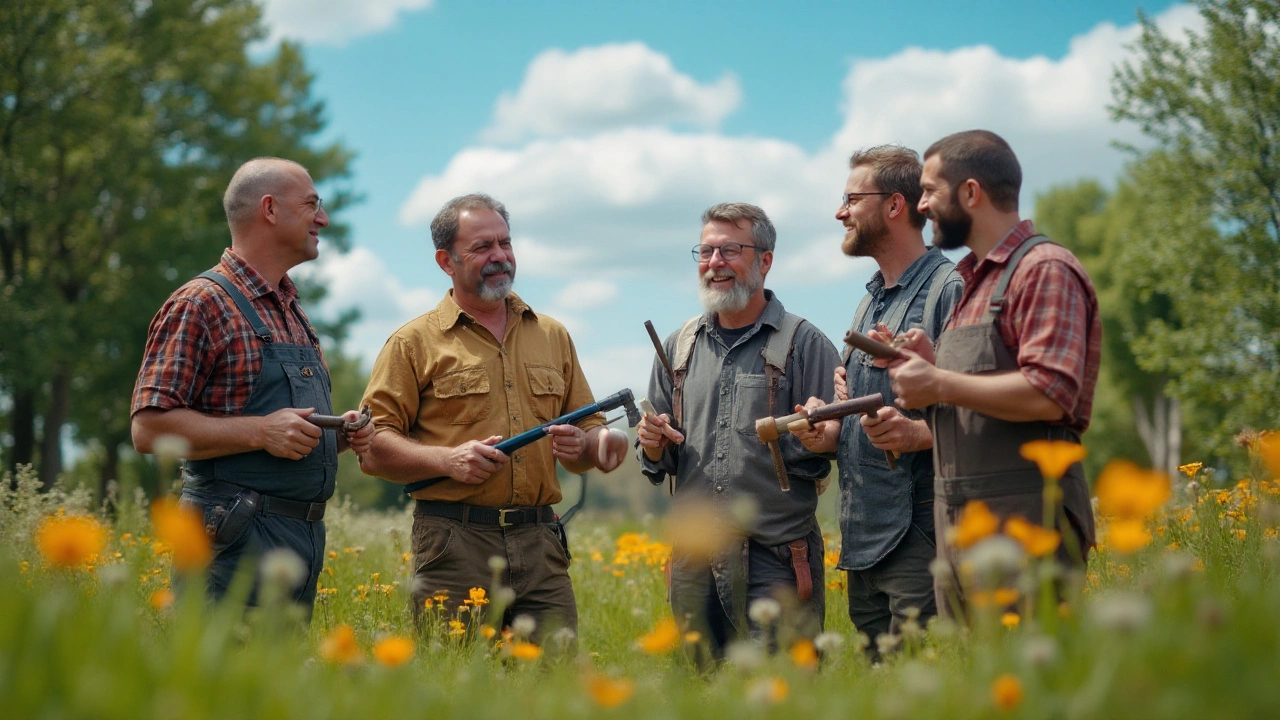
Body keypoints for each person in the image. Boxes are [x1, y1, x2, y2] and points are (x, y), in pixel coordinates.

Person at [358, 193, 628, 641]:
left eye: (505, 243)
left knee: (554, 688)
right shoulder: (412, 343)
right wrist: (446, 461)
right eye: (482, 247)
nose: (499, 256)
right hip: (452, 544)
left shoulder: (552, 335)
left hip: (541, 544)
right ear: (446, 260)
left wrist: (595, 446)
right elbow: (371, 448)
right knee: (454, 688)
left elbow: (586, 438)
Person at [131, 157, 374, 612]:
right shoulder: (200, 303)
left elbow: (282, 433)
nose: (323, 218)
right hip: (231, 545)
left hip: (299, 541)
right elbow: (148, 430)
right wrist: (262, 431)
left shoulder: (291, 310)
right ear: (269, 209)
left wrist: (336, 434)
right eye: (311, 205)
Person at [881, 130, 1100, 617]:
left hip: (1027, 525)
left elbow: (1051, 391)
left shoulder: (1043, 269)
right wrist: (933, 362)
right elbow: (982, 390)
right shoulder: (974, 281)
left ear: (971, 193)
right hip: (963, 528)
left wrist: (938, 382)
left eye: (931, 191)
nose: (921, 206)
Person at [636, 202, 840, 661]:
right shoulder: (678, 346)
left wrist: (817, 435)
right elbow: (657, 459)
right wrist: (651, 444)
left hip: (777, 560)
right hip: (694, 565)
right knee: (699, 695)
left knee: (783, 694)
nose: (714, 264)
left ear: (765, 261)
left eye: (730, 250)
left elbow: (834, 443)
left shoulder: (805, 344)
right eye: (706, 252)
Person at [791, 146, 962, 658]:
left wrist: (916, 434)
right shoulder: (871, 300)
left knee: (925, 690)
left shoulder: (946, 291)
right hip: (865, 538)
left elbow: (980, 415)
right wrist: (827, 431)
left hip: (920, 535)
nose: (840, 213)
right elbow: (867, 409)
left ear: (894, 206)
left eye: (850, 199)